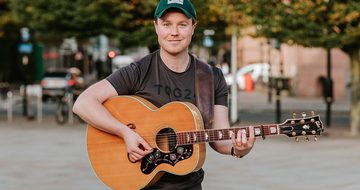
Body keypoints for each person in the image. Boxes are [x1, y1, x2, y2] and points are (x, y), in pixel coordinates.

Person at [73, 0, 256, 189]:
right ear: (156, 27)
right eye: (166, 24)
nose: (174, 32)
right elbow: (83, 103)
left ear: (193, 27)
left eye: (182, 24)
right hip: (141, 183)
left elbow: (220, 139)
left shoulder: (211, 77)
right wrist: (125, 132)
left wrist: (238, 149)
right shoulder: (138, 71)